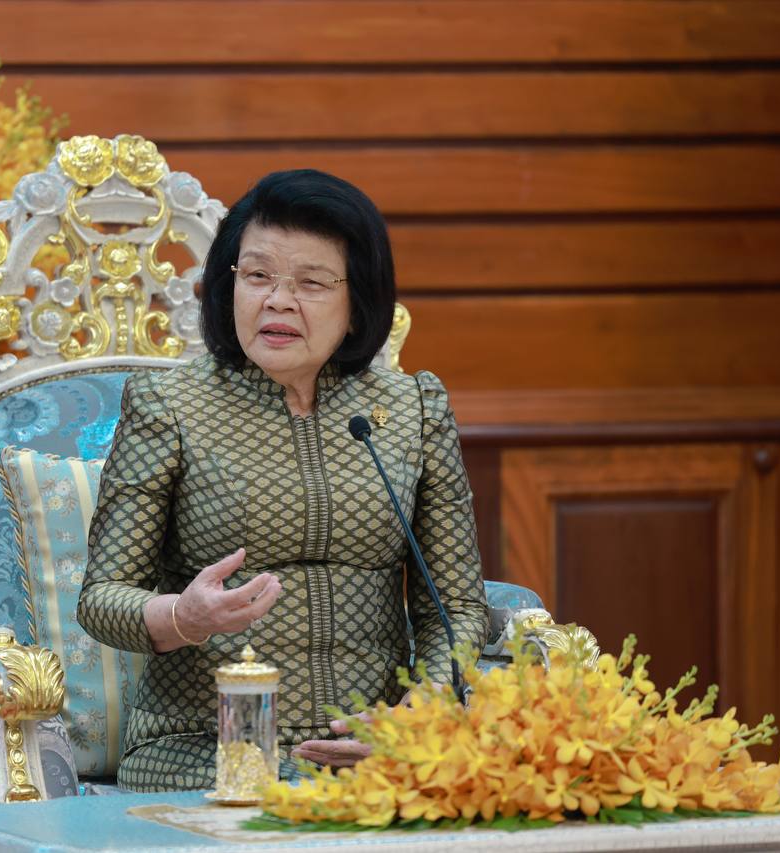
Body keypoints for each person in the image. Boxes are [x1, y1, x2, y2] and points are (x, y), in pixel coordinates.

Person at [77, 168, 488, 792]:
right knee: (295, 809)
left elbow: (454, 606)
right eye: (258, 276)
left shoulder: (413, 409)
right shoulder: (170, 406)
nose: (277, 300)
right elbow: (102, 598)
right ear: (229, 287)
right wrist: (184, 616)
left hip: (374, 746)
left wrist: (420, 712)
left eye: (312, 283)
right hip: (203, 744)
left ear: (358, 304)